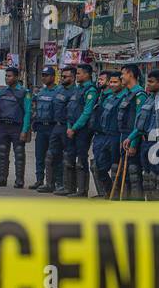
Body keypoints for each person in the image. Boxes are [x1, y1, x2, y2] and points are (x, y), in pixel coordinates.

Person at [127, 69, 159, 199]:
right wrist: (131, 138)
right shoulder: (149, 99)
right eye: (147, 81)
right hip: (145, 141)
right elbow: (140, 124)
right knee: (147, 177)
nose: (148, 84)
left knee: (157, 178)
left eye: (151, 82)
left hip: (158, 142)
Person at [0, 66, 32, 188]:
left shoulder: (25, 93)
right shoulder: (1, 92)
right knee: (2, 154)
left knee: (19, 154)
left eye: (9, 76)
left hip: (17, 128)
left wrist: (25, 130)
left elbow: (28, 113)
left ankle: (19, 180)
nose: (7, 78)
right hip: (2, 127)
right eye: (6, 76)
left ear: (16, 77)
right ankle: (2, 178)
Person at [64, 63, 98, 198]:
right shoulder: (78, 89)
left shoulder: (91, 90)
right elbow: (70, 109)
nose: (76, 76)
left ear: (87, 75)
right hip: (71, 129)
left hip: (83, 130)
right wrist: (69, 127)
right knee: (69, 158)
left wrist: (74, 127)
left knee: (81, 161)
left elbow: (87, 112)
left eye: (79, 73)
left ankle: (82, 191)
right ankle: (70, 188)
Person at [116, 64, 149, 199]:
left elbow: (139, 122)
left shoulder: (139, 95)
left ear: (130, 74)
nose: (121, 77)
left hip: (133, 138)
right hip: (124, 137)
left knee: (134, 172)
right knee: (125, 172)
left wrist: (134, 144)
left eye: (123, 74)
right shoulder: (127, 94)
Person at [92, 71, 124, 197]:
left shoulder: (125, 97)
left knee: (117, 170)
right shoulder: (109, 98)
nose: (112, 85)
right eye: (111, 82)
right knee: (99, 167)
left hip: (117, 136)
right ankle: (109, 192)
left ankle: (116, 196)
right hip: (104, 135)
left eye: (115, 82)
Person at [31, 66, 62, 191]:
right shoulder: (40, 93)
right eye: (42, 75)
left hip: (53, 127)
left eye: (46, 75)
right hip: (41, 128)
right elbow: (34, 108)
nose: (44, 77)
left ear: (53, 77)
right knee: (39, 156)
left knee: (54, 156)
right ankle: (39, 180)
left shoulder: (58, 91)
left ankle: (55, 182)